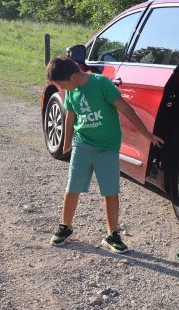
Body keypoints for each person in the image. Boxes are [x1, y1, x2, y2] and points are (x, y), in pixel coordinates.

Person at [46, 57, 163, 253]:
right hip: (82, 144)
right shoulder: (71, 91)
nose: (60, 87)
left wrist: (146, 133)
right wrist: (66, 143)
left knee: (110, 191)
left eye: (61, 83)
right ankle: (65, 226)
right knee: (73, 186)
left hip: (107, 147)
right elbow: (70, 116)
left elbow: (125, 108)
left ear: (74, 76)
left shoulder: (101, 84)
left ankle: (112, 234)